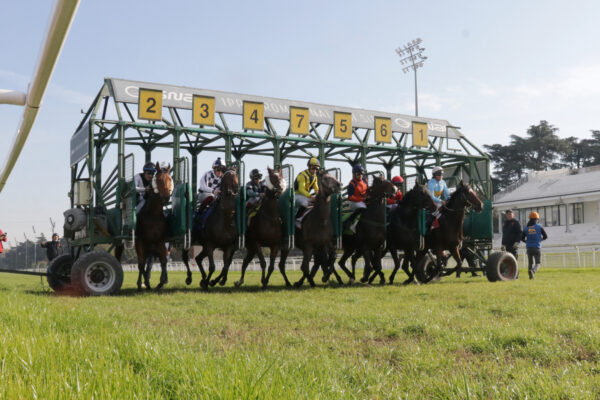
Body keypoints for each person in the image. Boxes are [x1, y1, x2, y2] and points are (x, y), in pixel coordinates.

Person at [521, 211, 548, 279]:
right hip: (537, 247)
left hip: (529, 248)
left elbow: (522, 238)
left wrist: (527, 242)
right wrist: (540, 240)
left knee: (530, 263)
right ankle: (533, 271)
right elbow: (545, 236)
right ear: (537, 219)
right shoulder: (539, 226)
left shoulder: (526, 228)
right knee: (538, 263)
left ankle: (530, 276)